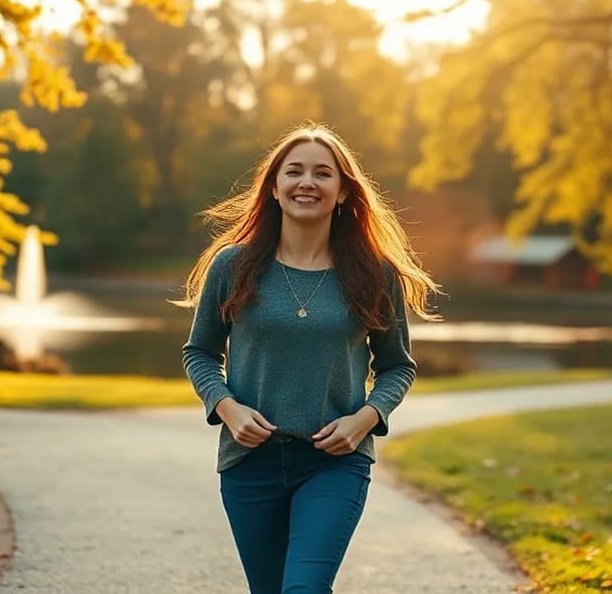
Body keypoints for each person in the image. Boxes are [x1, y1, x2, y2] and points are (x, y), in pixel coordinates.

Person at [176, 123, 441, 593]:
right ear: (274, 187)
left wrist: (364, 420)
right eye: (294, 171)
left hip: (334, 463)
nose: (307, 182)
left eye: (322, 173)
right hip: (249, 463)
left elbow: (397, 366)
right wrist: (228, 409)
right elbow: (200, 352)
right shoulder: (233, 266)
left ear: (343, 191)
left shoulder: (374, 274)